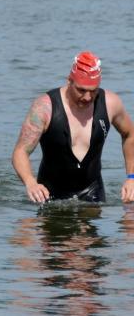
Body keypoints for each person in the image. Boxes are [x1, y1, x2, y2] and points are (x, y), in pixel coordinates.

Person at [12, 51, 134, 204]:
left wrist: (131, 178)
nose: (87, 97)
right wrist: (30, 182)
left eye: (93, 91)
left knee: (130, 213)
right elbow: (20, 151)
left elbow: (130, 134)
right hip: (49, 193)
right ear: (69, 81)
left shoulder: (110, 103)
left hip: (92, 190)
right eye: (81, 90)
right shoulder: (45, 108)